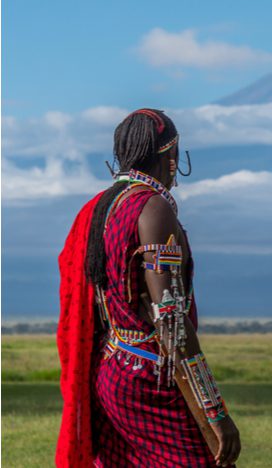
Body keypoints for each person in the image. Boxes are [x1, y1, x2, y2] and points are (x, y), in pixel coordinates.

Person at [56, 109, 241, 467]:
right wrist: (214, 411)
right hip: (148, 377)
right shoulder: (152, 208)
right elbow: (169, 319)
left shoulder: (100, 208)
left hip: (110, 370)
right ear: (170, 157)